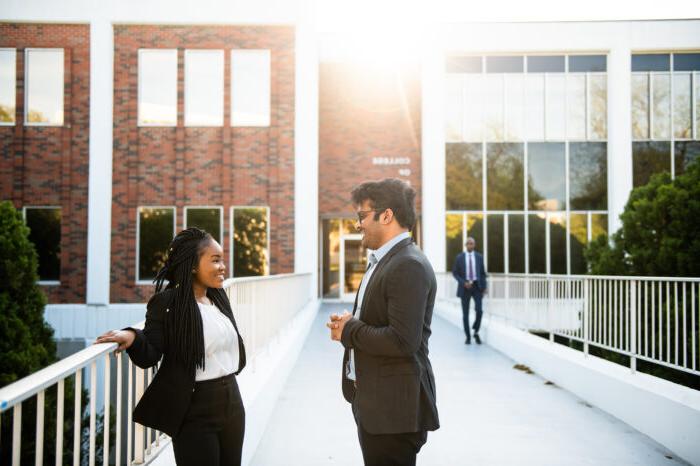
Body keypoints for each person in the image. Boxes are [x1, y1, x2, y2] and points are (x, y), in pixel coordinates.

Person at [95, 228, 246, 466]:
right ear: (193, 265)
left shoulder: (217, 297)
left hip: (232, 403)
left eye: (222, 260)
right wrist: (133, 336)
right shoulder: (167, 303)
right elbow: (152, 351)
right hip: (195, 409)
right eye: (215, 260)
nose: (222, 266)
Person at [326, 178, 439, 466]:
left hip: (393, 413)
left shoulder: (408, 265)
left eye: (362, 216)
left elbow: (402, 340)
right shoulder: (386, 260)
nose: (357, 224)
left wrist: (350, 330)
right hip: (376, 405)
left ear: (386, 215)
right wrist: (352, 324)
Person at [452, 237, 487, 345]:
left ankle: (476, 331)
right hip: (464, 287)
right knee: (465, 314)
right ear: (465, 245)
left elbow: (482, 273)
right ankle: (468, 336)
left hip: (477, 287)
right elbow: (455, 273)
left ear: (474, 245)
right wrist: (463, 283)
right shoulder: (460, 257)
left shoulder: (479, 257)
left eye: (472, 243)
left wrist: (484, 287)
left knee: (479, 310)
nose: (470, 245)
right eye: (468, 243)